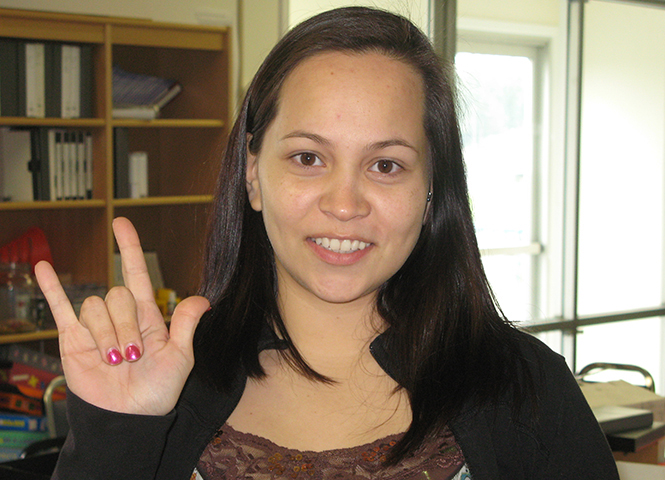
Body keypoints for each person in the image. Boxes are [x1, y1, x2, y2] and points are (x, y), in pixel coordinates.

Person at [35, 6, 619, 480]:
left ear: (431, 190)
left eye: (387, 165)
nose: (345, 204)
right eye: (308, 158)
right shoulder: (170, 385)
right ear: (253, 174)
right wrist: (118, 434)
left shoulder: (524, 387)